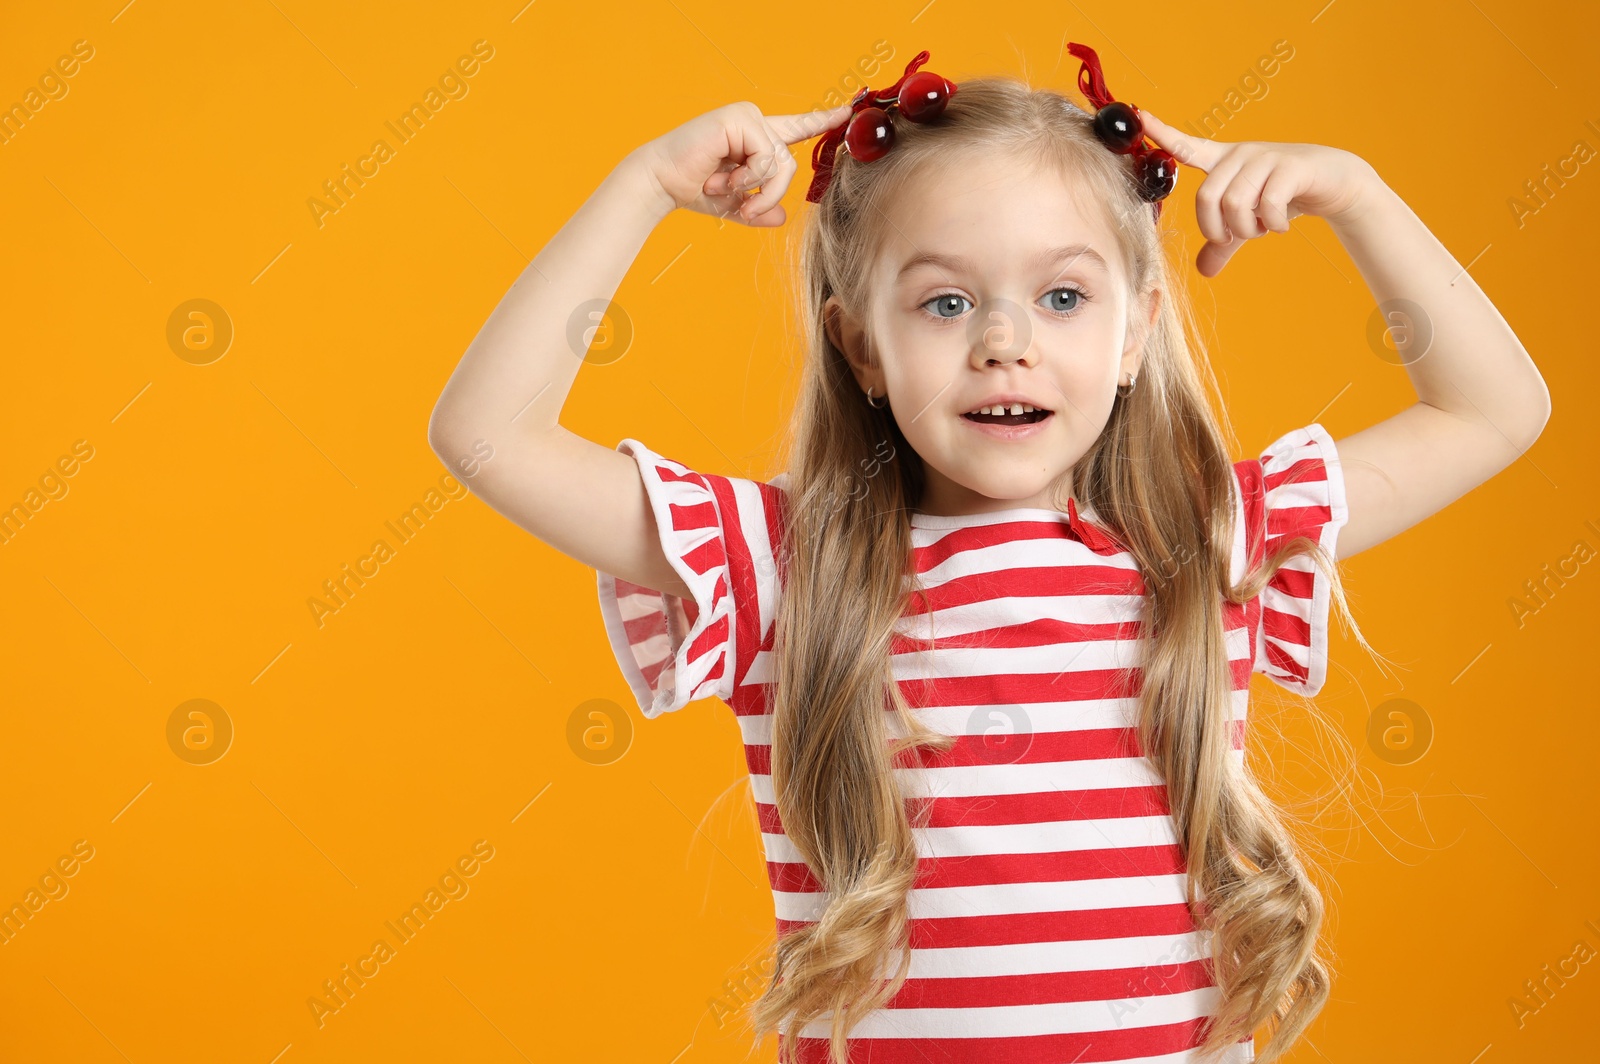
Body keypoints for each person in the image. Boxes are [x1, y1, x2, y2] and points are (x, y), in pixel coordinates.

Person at [427, 44, 1550, 1064]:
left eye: (1062, 296)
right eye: (946, 301)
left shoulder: (1199, 544)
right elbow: (487, 434)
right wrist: (640, 190)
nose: (1003, 342)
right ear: (859, 343)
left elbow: (1494, 409)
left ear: (1135, 332)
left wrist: (1356, 194)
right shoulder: (782, 563)